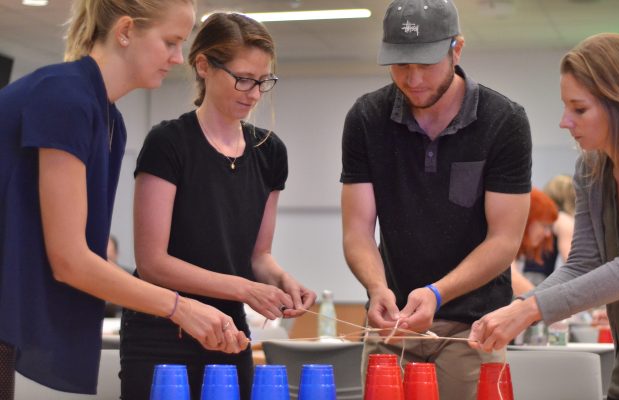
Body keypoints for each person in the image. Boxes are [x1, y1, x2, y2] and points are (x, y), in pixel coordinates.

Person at [0, 1, 249, 399]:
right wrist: (180, 307)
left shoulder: (107, 117)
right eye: (170, 42)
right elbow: (69, 260)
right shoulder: (65, 97)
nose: (177, 58)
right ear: (126, 30)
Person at [469, 33, 619, 399]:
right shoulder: (592, 168)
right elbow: (582, 263)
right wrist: (515, 309)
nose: (565, 122)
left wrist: (530, 311)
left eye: (579, 109)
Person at [119, 13, 316, 400]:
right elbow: (153, 263)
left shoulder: (270, 152)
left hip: (228, 333)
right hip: (161, 333)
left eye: (263, 82)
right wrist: (244, 289)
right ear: (204, 65)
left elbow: (259, 255)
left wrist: (280, 281)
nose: (254, 93)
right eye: (243, 78)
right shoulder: (169, 143)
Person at [340, 0, 532, 398]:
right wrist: (378, 288)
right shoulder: (366, 118)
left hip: (473, 330)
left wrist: (437, 292)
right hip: (392, 328)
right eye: (399, 65)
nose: (412, 80)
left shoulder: (504, 121)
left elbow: (504, 240)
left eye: (426, 64)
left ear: (456, 49)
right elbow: (358, 230)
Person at [522, 174, 575, 285]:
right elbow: (571, 260)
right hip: (539, 281)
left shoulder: (541, 218)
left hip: (526, 275)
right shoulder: (562, 220)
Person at [510, 188, 559, 297]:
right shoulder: (505, 246)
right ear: (528, 220)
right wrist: (550, 306)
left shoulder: (516, 253)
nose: (547, 234)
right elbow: (511, 277)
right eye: (544, 225)